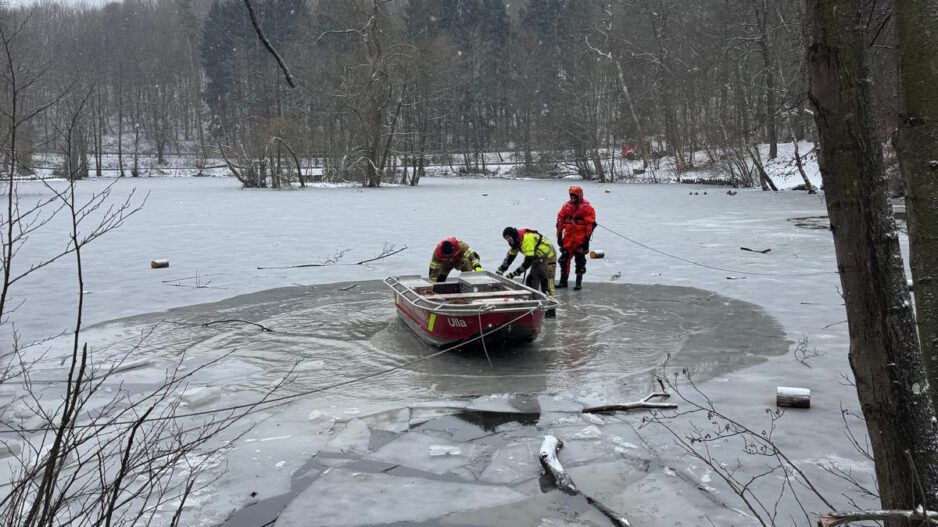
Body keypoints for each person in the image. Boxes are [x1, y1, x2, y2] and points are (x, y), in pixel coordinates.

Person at [497, 227, 557, 317]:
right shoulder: (516, 243)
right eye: (506, 238)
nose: (508, 240)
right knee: (531, 280)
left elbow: (527, 262)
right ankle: (534, 304)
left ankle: (552, 309)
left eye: (509, 237)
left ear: (513, 236)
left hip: (549, 256)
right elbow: (509, 259)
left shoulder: (527, 240)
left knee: (548, 281)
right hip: (537, 258)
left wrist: (512, 274)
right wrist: (500, 271)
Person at [556, 185, 596, 291]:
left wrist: (586, 240)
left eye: (574, 196)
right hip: (568, 239)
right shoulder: (566, 206)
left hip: (580, 240)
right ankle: (563, 282)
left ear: (579, 196)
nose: (572, 198)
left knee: (580, 262)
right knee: (563, 261)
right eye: (571, 196)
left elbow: (590, 225)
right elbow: (560, 220)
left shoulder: (587, 208)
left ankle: (578, 283)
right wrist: (559, 235)